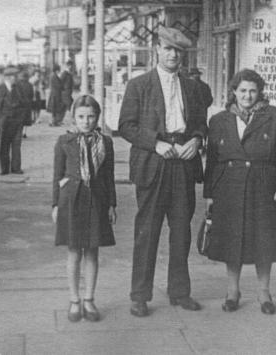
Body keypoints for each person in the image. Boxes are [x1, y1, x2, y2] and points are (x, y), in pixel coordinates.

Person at [118, 26, 207, 317]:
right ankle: (139, 295)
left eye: (178, 51)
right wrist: (155, 144)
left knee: (181, 231)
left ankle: (179, 292)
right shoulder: (139, 85)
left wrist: (196, 141)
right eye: (168, 49)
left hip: (183, 162)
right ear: (157, 49)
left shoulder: (193, 87)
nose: (173, 55)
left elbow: (200, 125)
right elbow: (126, 126)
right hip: (153, 165)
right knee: (148, 231)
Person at [203, 69, 276, 314]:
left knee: (264, 240)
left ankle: (264, 293)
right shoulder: (219, 120)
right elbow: (212, 160)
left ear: (260, 92)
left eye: (253, 91)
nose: (247, 96)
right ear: (234, 92)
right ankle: (232, 291)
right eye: (242, 90)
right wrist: (210, 193)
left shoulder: (275, 116)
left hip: (263, 186)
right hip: (228, 187)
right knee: (233, 240)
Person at [52, 95, 117, 322]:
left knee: (92, 251)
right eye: (81, 117)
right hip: (71, 200)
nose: (86, 121)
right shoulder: (64, 142)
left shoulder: (105, 142)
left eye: (91, 116)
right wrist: (54, 205)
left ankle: (89, 299)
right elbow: (57, 176)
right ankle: (74, 299)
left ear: (97, 117)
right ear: (74, 118)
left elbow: (109, 176)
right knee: (73, 252)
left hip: (97, 201)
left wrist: (111, 205)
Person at [0, 65, 25, 175]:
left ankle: (16, 168)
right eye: (14, 76)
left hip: (17, 121)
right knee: (4, 145)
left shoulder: (19, 88)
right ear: (8, 77)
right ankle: (4, 169)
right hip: (4, 121)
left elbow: (24, 103)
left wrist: (22, 117)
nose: (16, 78)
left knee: (16, 145)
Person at [17, 70, 34, 139]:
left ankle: (19, 132)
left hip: (19, 104)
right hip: (27, 103)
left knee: (19, 119)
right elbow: (32, 95)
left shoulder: (18, 84)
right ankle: (24, 132)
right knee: (26, 119)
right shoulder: (30, 85)